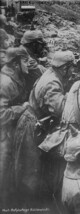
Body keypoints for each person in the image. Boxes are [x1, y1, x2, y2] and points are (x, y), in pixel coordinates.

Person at [14, 50, 76, 208]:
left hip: (33, 123)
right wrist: (71, 95)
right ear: (64, 69)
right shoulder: (52, 83)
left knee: (29, 171)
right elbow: (61, 110)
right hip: (31, 126)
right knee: (29, 174)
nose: (73, 71)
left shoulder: (51, 73)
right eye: (71, 68)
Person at [0, 47, 30, 208]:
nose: (28, 64)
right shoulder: (5, 82)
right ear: (16, 64)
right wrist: (22, 108)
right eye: (25, 60)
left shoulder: (16, 77)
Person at [20, 30, 49, 96]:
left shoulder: (23, 50)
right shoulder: (26, 59)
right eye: (41, 45)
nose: (43, 48)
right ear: (34, 45)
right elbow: (46, 74)